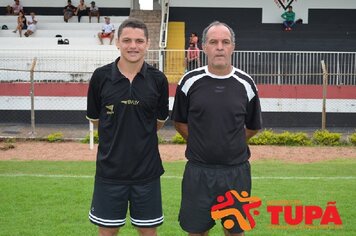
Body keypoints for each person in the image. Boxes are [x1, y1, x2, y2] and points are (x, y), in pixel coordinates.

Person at [171, 21, 262, 236]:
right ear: (204, 47)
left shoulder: (246, 83)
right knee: (196, 231)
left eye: (225, 42)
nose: (219, 47)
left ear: (233, 47)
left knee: (235, 231)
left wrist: (230, 144)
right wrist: (200, 143)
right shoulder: (189, 81)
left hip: (236, 173)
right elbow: (179, 122)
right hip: (198, 172)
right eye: (213, 42)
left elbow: (252, 126)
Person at [87, 18, 169, 236]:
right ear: (117, 42)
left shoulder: (158, 80)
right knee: (107, 233)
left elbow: (158, 122)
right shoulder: (100, 77)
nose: (133, 46)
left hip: (147, 172)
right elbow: (97, 120)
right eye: (127, 40)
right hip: (110, 172)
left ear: (147, 43)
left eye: (139, 41)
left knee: (149, 233)